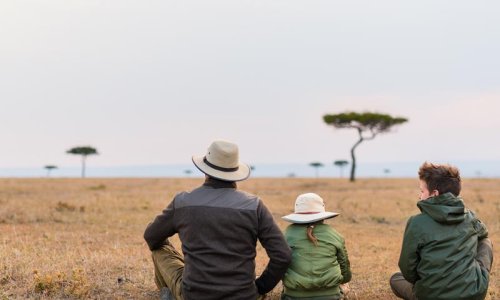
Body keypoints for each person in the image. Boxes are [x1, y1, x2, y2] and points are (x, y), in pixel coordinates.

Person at [143, 140, 292, 300]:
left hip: (194, 295)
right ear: (235, 173)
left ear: (205, 170)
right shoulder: (254, 205)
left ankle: (170, 294)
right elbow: (283, 255)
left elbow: (151, 237)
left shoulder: (183, 202)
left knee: (160, 248)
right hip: (245, 296)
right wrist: (260, 287)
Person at [390, 162, 494, 300]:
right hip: (472, 293)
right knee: (485, 241)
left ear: (434, 194)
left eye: (422, 191)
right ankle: (474, 281)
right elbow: (483, 236)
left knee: (396, 279)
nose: (419, 196)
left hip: (430, 294)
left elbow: (407, 269)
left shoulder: (416, 222)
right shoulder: (469, 217)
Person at [281, 192, 352, 300]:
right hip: (331, 296)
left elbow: (278, 263)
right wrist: (344, 281)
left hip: (294, 296)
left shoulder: (287, 234)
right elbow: (345, 268)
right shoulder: (333, 234)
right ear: (322, 214)